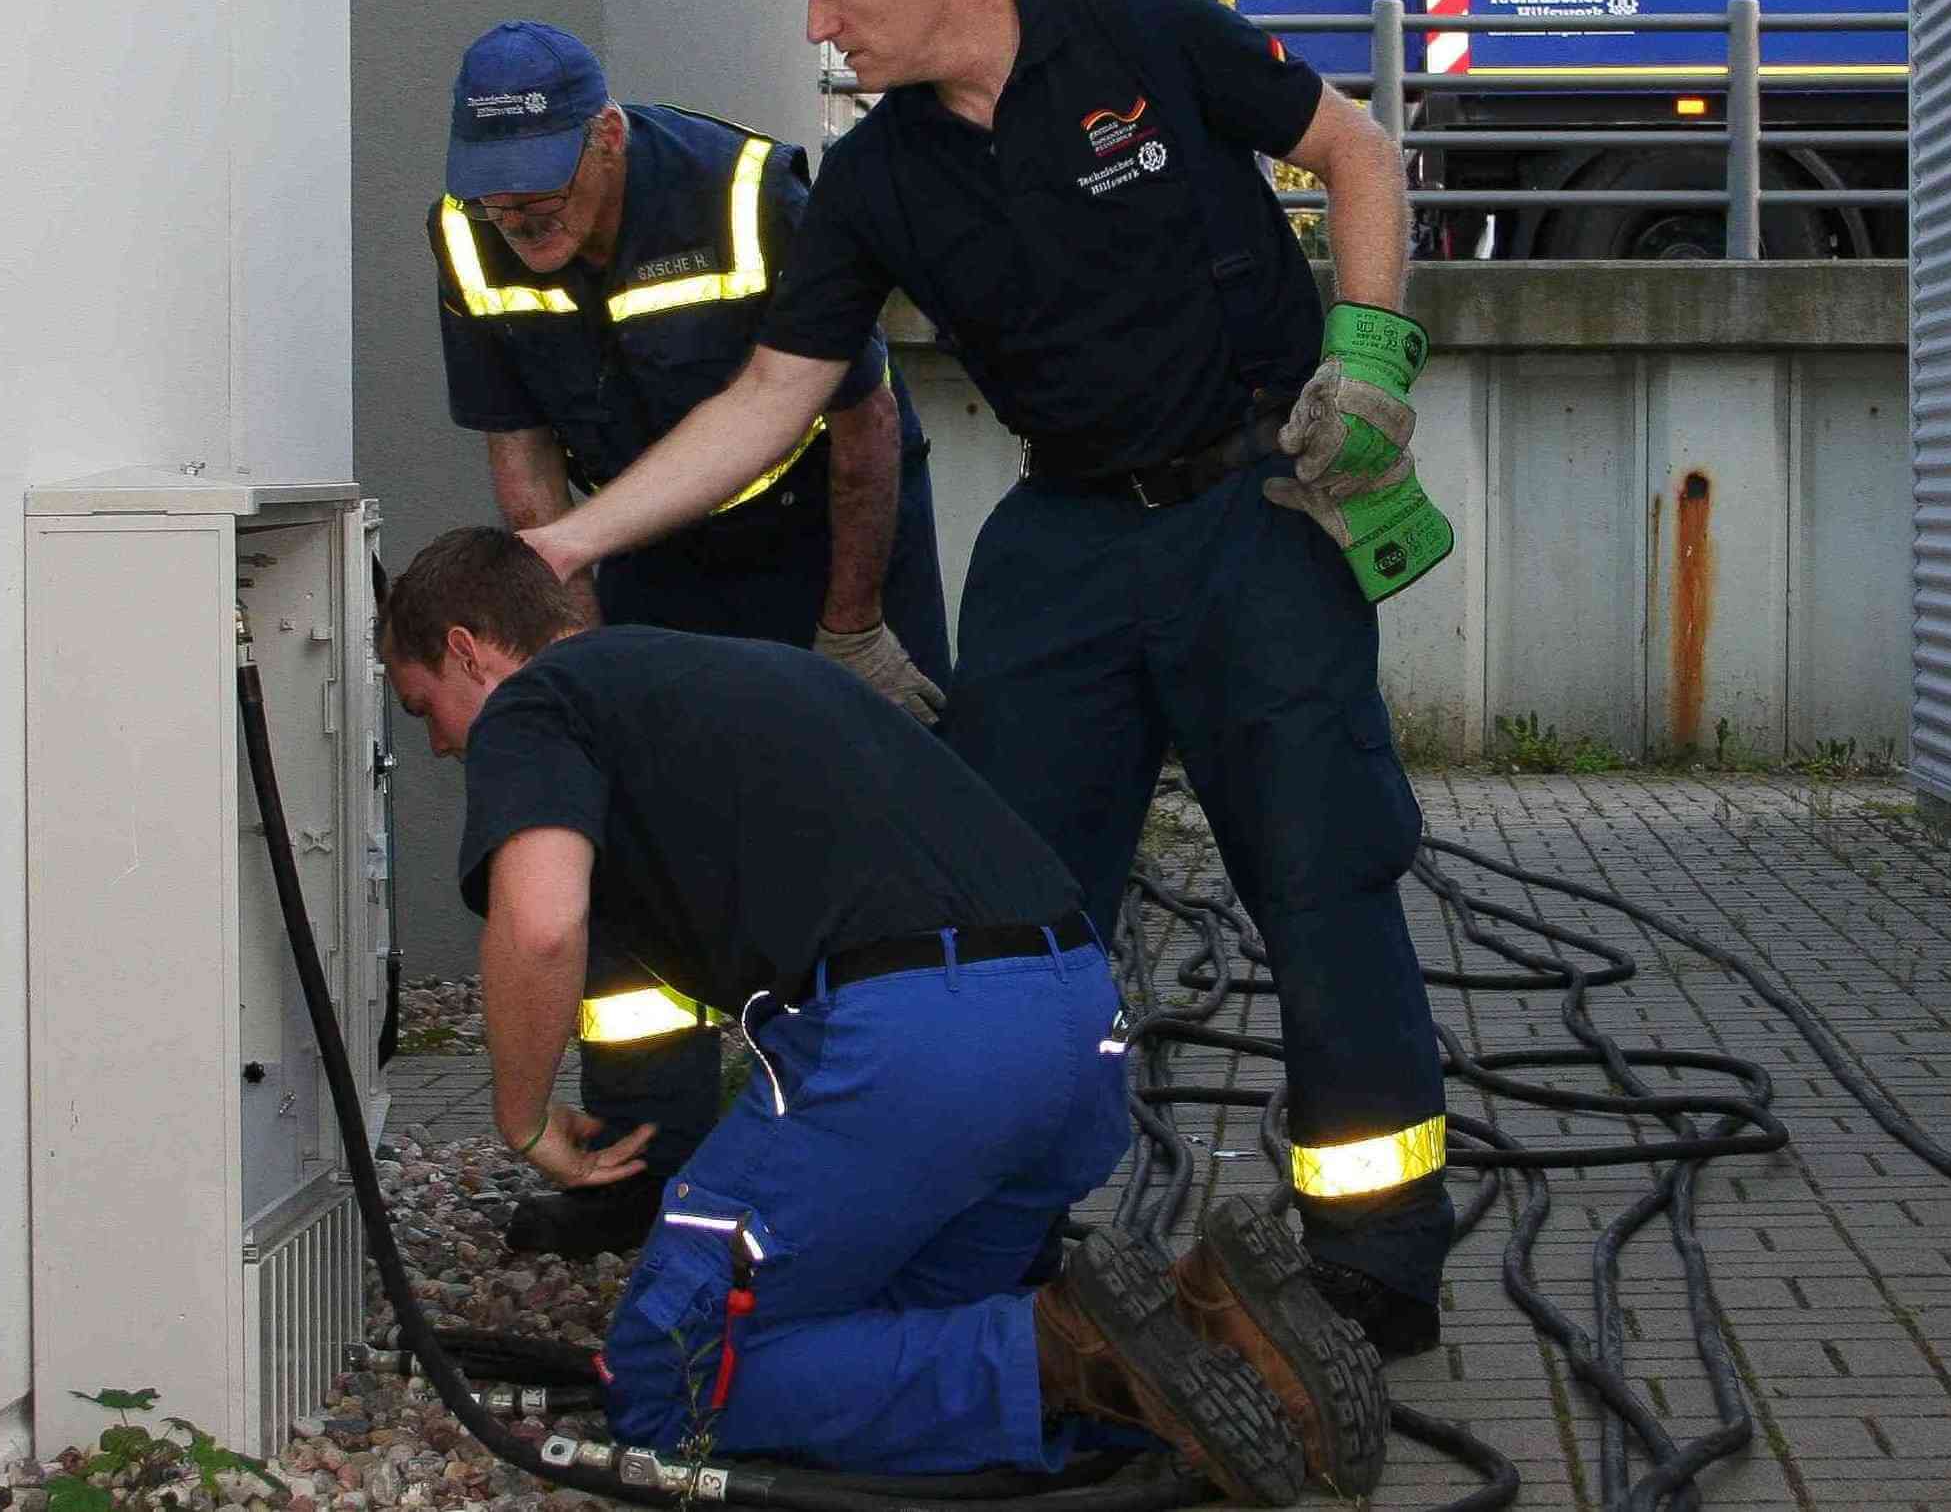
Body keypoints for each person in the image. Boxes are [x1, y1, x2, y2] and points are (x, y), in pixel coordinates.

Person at [516, 0, 1458, 1359]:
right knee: (999, 912)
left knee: (1323, 875)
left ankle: (1376, 1258)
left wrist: (1367, 354)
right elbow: (770, 397)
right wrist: (576, 537)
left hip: (1254, 513)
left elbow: (1355, 151)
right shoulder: (876, 179)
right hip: (1066, 545)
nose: (817, 24)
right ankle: (1001, 1235)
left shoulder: (1146, 29)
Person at [378, 528, 1386, 1500]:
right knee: (883, 1321)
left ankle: (1067, 1355)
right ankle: (1213, 1342)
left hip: (914, 1046)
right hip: (1073, 1021)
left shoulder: (536, 702)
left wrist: (521, 1120)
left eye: (425, 707)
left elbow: (542, 926)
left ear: (470, 651)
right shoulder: (735, 672)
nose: (434, 745)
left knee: (670, 1377)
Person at [429, 20, 953, 1259]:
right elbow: (525, 467)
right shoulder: (469, 232)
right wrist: (582, 670)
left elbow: (865, 427)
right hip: (639, 541)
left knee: (856, 827)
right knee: (619, 851)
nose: (519, 218)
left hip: (822, 528)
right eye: (496, 195)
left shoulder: (746, 193)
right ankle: (638, 1171)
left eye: (544, 188)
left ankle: (871, 1170)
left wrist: (853, 631)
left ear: (606, 137)